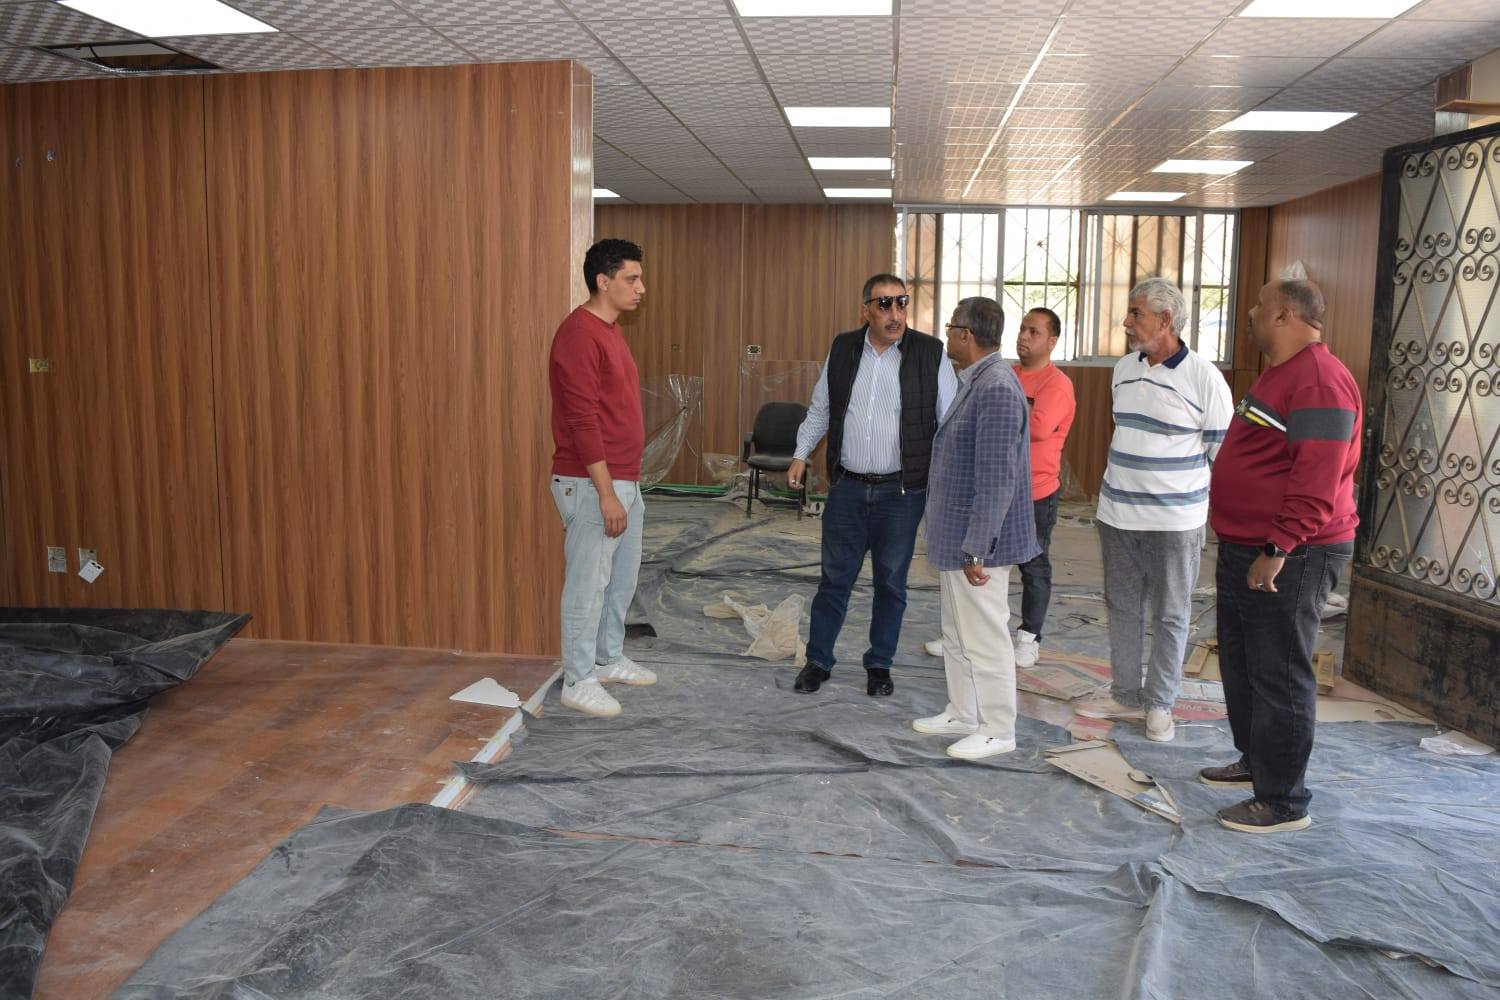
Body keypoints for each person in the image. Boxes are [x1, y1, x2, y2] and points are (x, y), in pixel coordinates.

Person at [1201, 279, 1361, 834]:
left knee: (1279, 672)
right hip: (1250, 543)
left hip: (1292, 551)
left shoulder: (1319, 380)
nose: (1250, 312)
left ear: (1285, 314)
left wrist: (1279, 547)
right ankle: (1258, 762)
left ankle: (1284, 801)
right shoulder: (1280, 373)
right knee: (1243, 663)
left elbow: (1318, 476)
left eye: (1260, 305)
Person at [1072, 277, 1233, 742]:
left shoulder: (1204, 377)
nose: (1126, 321)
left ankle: (1160, 704)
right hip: (1117, 516)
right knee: (1122, 606)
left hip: (1175, 523)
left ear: (1165, 320)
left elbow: (1222, 454)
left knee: (1171, 613)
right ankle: (1126, 694)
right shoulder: (1123, 369)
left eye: (1136, 313)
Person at [786, 274, 958, 696]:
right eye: (884, 305)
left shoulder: (929, 353)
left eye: (902, 303)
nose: (895, 314)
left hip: (901, 494)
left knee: (891, 584)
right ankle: (818, 661)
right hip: (847, 489)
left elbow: (950, 420)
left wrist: (949, 484)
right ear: (866, 310)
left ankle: (879, 665)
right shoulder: (843, 349)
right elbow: (821, 409)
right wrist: (800, 454)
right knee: (834, 580)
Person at [912, 297, 1038, 760]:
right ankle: (965, 712)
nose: (947, 336)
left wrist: (977, 548)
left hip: (979, 543)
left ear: (966, 335)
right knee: (958, 633)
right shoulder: (977, 380)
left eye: (950, 328)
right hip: (958, 536)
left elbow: (997, 478)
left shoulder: (997, 388)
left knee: (984, 637)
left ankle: (998, 727)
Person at [924, 307, 1074, 666]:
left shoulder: (1053, 384)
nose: (1024, 337)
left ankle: (1029, 637)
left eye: (1034, 332)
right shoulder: (1007, 374)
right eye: (1022, 329)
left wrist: (995, 414)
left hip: (1033, 491)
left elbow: (1038, 429)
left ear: (1052, 342)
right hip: (995, 490)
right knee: (986, 572)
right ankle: (963, 633)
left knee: (1032, 565)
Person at [547, 238, 658, 718]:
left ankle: (607, 658)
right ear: (603, 281)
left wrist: (623, 488)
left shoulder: (610, 331)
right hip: (593, 484)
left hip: (623, 482)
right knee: (587, 586)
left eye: (640, 278)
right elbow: (582, 420)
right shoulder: (579, 334)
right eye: (632, 279)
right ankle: (578, 679)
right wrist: (606, 491)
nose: (641, 288)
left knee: (620, 580)